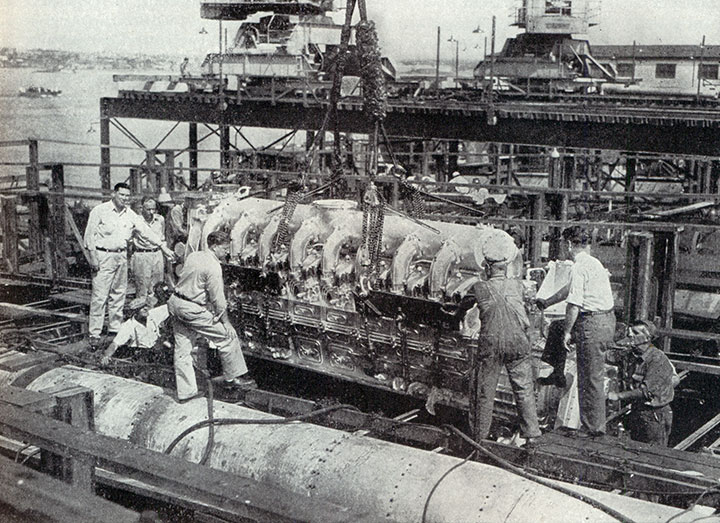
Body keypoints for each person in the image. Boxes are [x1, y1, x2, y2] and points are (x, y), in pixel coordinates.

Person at [536, 226, 616, 438]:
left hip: (592, 323)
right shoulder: (593, 263)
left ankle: (593, 430)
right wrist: (547, 301)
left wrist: (568, 333)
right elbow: (569, 290)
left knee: (589, 377)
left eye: (564, 244)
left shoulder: (579, 267)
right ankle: (556, 372)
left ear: (569, 244)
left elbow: (574, 303)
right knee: (556, 326)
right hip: (605, 320)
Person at [467, 230, 541, 445]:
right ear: (507, 266)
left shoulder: (479, 287)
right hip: (519, 343)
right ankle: (532, 435)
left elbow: (459, 308)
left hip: (492, 345)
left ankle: (479, 438)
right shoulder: (518, 285)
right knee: (524, 389)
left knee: (484, 391)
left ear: (487, 267)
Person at [167, 230, 256, 402]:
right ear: (215, 247)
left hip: (175, 302)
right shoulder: (214, 267)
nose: (227, 252)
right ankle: (233, 379)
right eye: (224, 248)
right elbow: (218, 300)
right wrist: (226, 323)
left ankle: (186, 393)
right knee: (227, 337)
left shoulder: (194, 256)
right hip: (192, 309)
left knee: (182, 350)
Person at [84, 183, 175, 349]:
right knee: (99, 296)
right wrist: (93, 258)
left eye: (127, 196)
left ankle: (114, 329)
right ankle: (94, 333)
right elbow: (89, 236)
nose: (125, 199)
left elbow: (145, 232)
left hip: (121, 255)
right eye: (122, 195)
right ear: (114, 194)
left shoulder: (130, 214)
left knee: (118, 294)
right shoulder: (100, 211)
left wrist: (162, 246)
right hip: (104, 255)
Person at [609, 320, 679, 446]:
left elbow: (647, 392)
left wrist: (618, 396)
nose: (630, 335)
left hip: (655, 414)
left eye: (635, 332)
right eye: (629, 332)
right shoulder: (631, 355)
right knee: (635, 448)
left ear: (647, 338)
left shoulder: (657, 359)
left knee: (653, 453)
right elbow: (609, 356)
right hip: (638, 411)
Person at [99, 304, 169, 366]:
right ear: (135, 312)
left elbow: (169, 306)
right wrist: (107, 356)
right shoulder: (128, 325)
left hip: (157, 348)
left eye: (146, 306)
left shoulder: (152, 314)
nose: (145, 309)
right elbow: (115, 343)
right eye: (141, 307)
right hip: (141, 352)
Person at [130, 197, 165, 309]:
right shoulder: (136, 221)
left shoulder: (160, 219)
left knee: (158, 287)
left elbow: (162, 236)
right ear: (142, 209)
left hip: (157, 254)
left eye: (153, 209)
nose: (151, 212)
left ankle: (156, 317)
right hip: (142, 255)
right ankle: (142, 316)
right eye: (148, 209)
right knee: (142, 288)